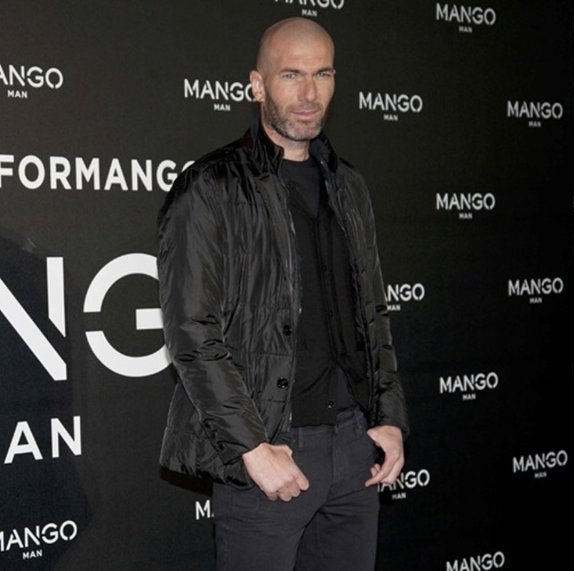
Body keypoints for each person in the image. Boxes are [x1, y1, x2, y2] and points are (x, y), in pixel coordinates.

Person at [157, 17, 409, 570]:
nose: (309, 93)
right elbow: (191, 334)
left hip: (355, 449)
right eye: (291, 74)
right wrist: (251, 448)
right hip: (273, 452)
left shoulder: (349, 185)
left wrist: (389, 417)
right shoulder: (211, 186)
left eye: (323, 74)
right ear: (257, 84)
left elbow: (373, 313)